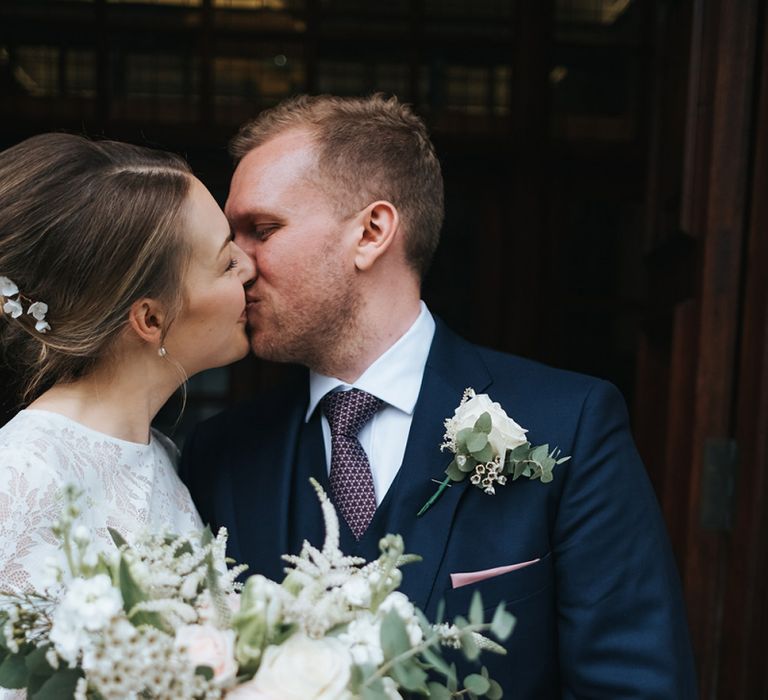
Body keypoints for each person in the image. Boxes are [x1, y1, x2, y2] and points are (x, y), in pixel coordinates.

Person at [180, 94, 698, 698]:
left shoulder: (570, 425)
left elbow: (634, 684)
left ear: (371, 233)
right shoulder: (220, 453)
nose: (238, 264)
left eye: (262, 230)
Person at [0, 133, 255, 598]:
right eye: (225, 264)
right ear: (150, 318)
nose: (249, 268)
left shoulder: (160, 455)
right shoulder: (24, 475)